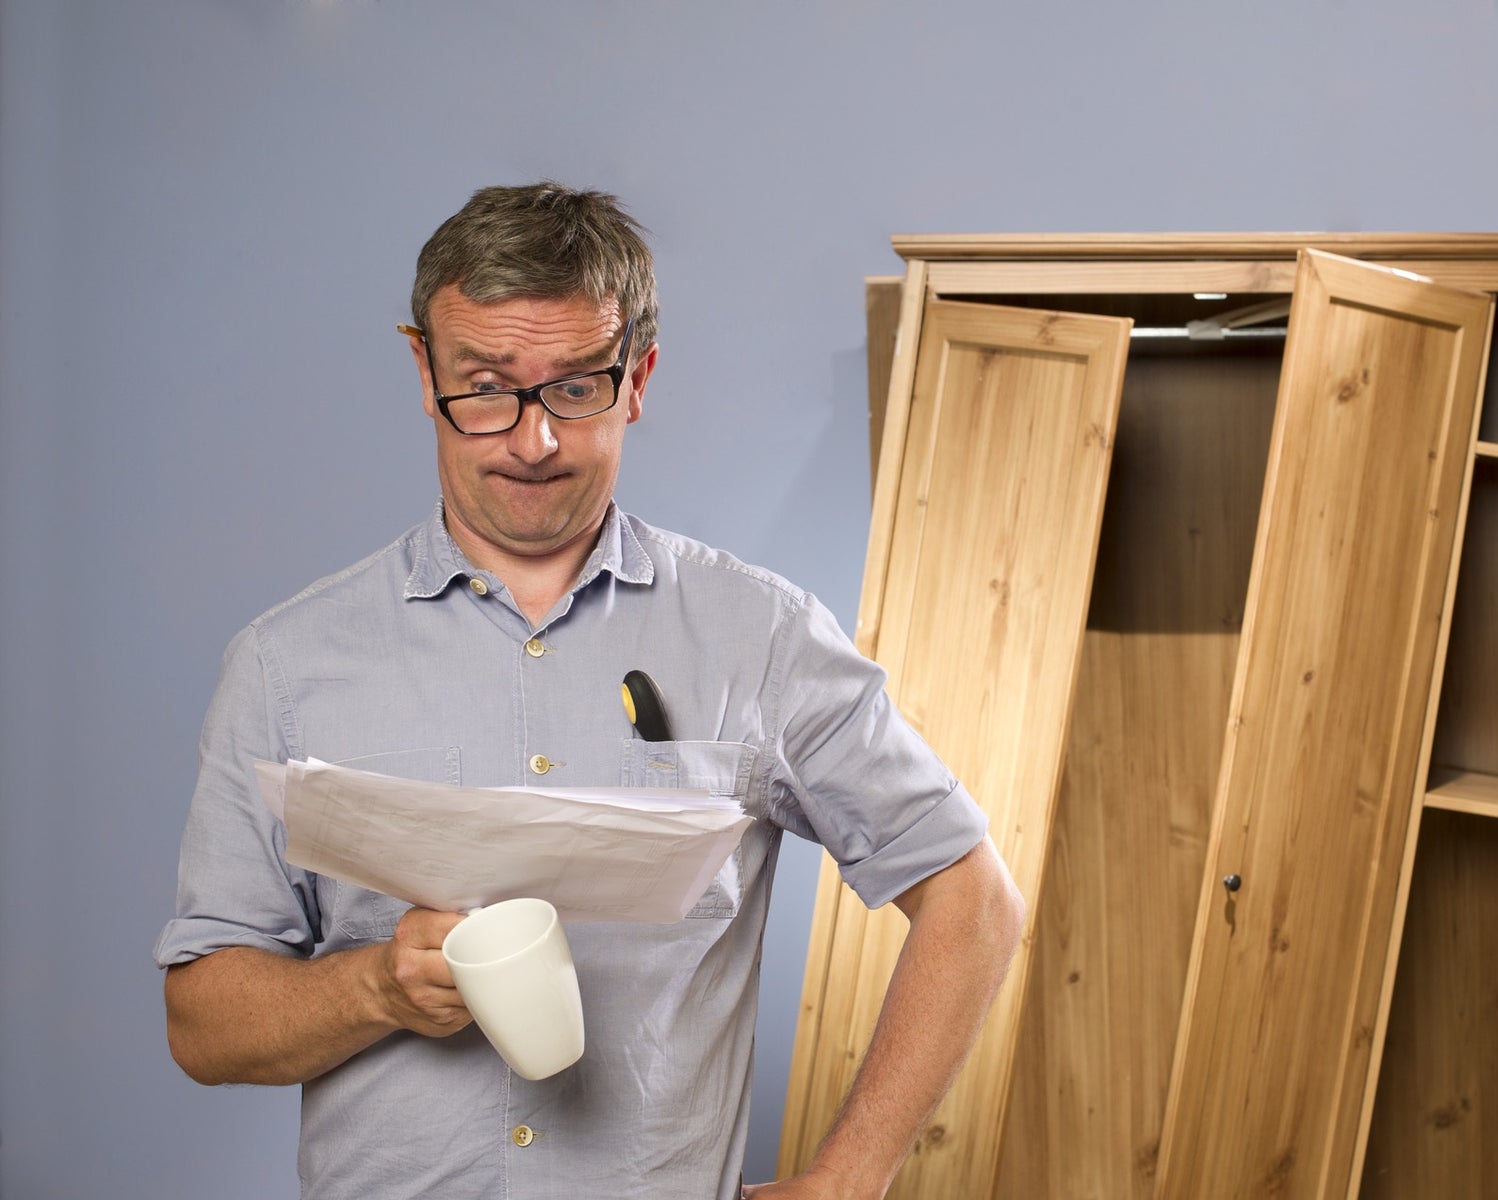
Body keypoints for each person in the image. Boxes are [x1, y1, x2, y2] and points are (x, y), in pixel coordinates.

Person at [155, 182, 1026, 1200]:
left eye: (576, 388)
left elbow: (974, 900)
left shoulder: (762, 636)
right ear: (421, 367)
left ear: (639, 377)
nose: (533, 441)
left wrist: (849, 1177)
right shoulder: (285, 662)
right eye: (483, 386)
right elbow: (202, 1027)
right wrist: (373, 988)